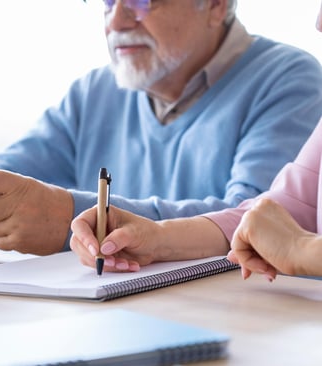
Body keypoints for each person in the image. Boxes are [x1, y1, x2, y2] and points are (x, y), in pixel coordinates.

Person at [0, 0, 322, 255]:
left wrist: (68, 216)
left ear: (214, 4)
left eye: (142, 1)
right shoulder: (93, 91)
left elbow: (260, 220)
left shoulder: (289, 80)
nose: (116, 21)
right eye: (106, 1)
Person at [70, 1, 322, 278]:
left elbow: (290, 237)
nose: (319, 23)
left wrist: (304, 250)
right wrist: (155, 236)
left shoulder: (287, 77)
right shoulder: (91, 89)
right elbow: (276, 215)